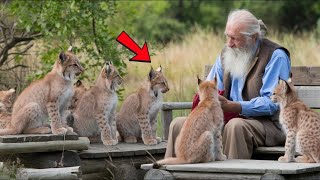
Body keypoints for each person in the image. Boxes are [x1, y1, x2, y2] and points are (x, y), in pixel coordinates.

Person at [164, 9, 291, 159]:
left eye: (234, 38)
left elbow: (274, 103)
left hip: (266, 124)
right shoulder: (226, 53)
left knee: (236, 126)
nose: (229, 44)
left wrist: (237, 106)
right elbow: (210, 87)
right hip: (227, 117)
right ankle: (169, 172)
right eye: (227, 36)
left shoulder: (275, 56)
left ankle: (232, 174)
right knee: (179, 124)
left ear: (253, 37)